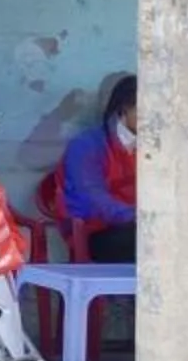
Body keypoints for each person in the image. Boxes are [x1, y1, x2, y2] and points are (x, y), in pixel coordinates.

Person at [60, 74, 140, 264]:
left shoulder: (161, 146)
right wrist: (138, 216)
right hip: (99, 232)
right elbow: (92, 197)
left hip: (142, 226)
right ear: (125, 108)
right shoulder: (87, 145)